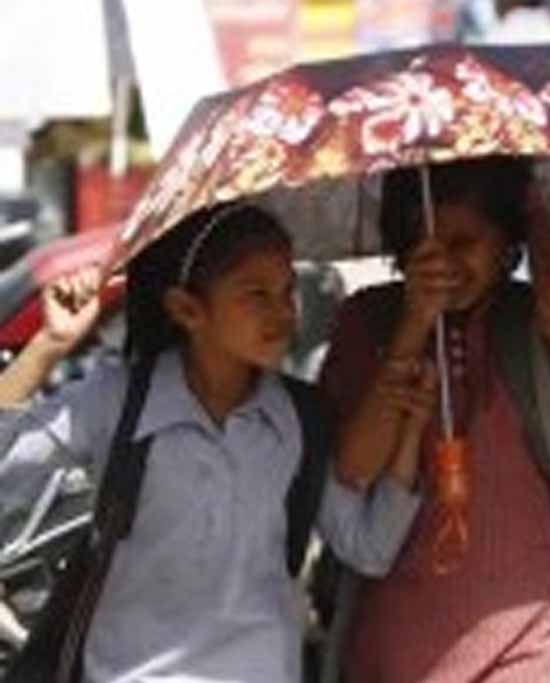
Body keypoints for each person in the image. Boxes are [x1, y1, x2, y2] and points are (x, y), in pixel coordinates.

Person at [0, 203, 429, 683]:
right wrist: (50, 344)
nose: (284, 313)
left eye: (288, 290)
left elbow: (369, 547)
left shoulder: (298, 419)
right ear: (187, 309)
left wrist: (411, 434)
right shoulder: (120, 402)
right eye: (256, 294)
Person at [319, 156, 550, 681]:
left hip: (533, 626)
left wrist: (529, 204)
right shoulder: (368, 319)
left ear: (505, 244)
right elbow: (354, 468)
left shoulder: (524, 317)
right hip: (404, 639)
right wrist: (414, 323)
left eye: (465, 242)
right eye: (424, 244)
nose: (444, 261)